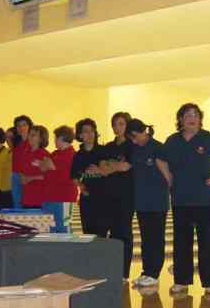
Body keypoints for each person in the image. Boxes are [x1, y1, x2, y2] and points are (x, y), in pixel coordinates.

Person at [163, 103, 210, 296]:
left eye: (195, 115)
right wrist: (168, 177)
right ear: (180, 119)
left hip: (205, 199)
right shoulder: (173, 141)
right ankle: (181, 280)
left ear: (200, 119)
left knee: (208, 242)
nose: (192, 118)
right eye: (187, 115)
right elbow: (160, 158)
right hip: (180, 199)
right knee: (181, 242)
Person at [127, 119, 172, 288]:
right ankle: (146, 272)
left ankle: (154, 273)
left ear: (142, 132)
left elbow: (168, 176)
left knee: (156, 238)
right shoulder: (135, 149)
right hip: (141, 201)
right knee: (145, 239)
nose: (134, 141)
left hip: (157, 201)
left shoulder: (158, 147)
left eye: (135, 137)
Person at [100, 112, 135, 281]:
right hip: (109, 195)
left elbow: (126, 166)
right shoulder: (108, 147)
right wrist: (115, 166)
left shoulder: (132, 146)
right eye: (114, 124)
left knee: (124, 233)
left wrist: (111, 166)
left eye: (121, 124)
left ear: (127, 126)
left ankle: (123, 273)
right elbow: (103, 168)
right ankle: (112, 270)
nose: (117, 127)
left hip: (126, 195)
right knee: (112, 235)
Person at [71, 118, 108, 236]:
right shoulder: (78, 155)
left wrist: (99, 170)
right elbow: (74, 177)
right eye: (86, 131)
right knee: (88, 234)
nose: (90, 134)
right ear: (80, 135)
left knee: (101, 235)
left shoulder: (103, 150)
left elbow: (107, 171)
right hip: (86, 199)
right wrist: (81, 187)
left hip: (103, 198)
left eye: (92, 131)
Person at [41, 125, 78, 233]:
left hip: (64, 199)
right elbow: (44, 167)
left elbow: (49, 165)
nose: (54, 141)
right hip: (49, 197)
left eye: (55, 138)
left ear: (61, 138)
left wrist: (49, 165)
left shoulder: (72, 155)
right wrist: (49, 165)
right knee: (50, 230)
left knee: (64, 229)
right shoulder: (55, 153)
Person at [19, 125, 50, 209]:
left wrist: (31, 178)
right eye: (29, 134)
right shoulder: (25, 153)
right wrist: (22, 177)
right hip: (26, 197)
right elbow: (22, 171)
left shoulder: (45, 154)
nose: (30, 137)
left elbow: (49, 176)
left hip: (39, 198)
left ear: (41, 139)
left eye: (33, 135)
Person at [10, 114, 33, 207]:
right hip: (15, 176)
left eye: (24, 125)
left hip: (28, 176)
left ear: (29, 126)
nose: (21, 128)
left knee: (28, 203)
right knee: (17, 204)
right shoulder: (16, 142)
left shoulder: (33, 142)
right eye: (18, 126)